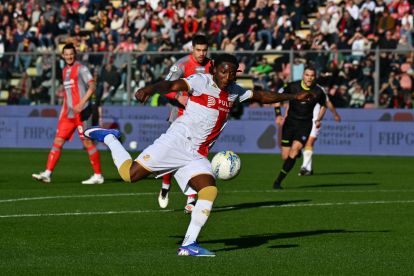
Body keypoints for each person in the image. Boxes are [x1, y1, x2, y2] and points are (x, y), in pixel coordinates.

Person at [83, 54, 312, 256]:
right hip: (176, 143)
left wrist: (293, 98)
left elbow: (261, 96)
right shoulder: (201, 81)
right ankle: (110, 137)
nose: (227, 76)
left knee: (210, 189)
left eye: (232, 73)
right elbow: (173, 84)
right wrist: (149, 89)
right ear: (214, 70)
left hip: (196, 154)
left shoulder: (234, 92)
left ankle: (189, 244)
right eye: (223, 71)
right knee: (128, 174)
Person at [32, 43, 104, 185]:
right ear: (63, 56)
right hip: (68, 114)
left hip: (83, 112)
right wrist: (62, 112)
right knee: (58, 141)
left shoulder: (81, 68)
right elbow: (67, 95)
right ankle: (47, 173)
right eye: (66, 54)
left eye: (71, 54)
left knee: (87, 142)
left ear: (75, 55)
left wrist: (82, 103)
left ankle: (98, 175)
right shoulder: (64, 70)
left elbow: (93, 85)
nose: (69, 56)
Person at [159, 34, 211, 213]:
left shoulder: (212, 65)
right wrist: (178, 96)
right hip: (179, 116)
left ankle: (191, 199)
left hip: (201, 119)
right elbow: (165, 86)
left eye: (205, 50)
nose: (202, 53)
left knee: (195, 157)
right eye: (198, 50)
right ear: (192, 49)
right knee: (170, 153)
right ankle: (166, 184)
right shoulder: (181, 64)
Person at [273, 65, 327, 189]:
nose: (309, 78)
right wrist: (278, 114)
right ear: (303, 75)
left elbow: (324, 105)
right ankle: (296, 154)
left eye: (312, 76)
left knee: (295, 149)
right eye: (307, 75)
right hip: (290, 124)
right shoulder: (293, 86)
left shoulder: (318, 91)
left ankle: (278, 181)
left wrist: (319, 119)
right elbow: (277, 96)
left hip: (305, 125)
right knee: (285, 157)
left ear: (315, 77)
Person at [298, 101, 341, 176]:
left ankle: (304, 167)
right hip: (303, 121)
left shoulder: (319, 90)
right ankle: (308, 169)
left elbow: (326, 104)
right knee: (304, 144)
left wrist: (334, 114)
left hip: (315, 122)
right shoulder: (301, 90)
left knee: (309, 142)